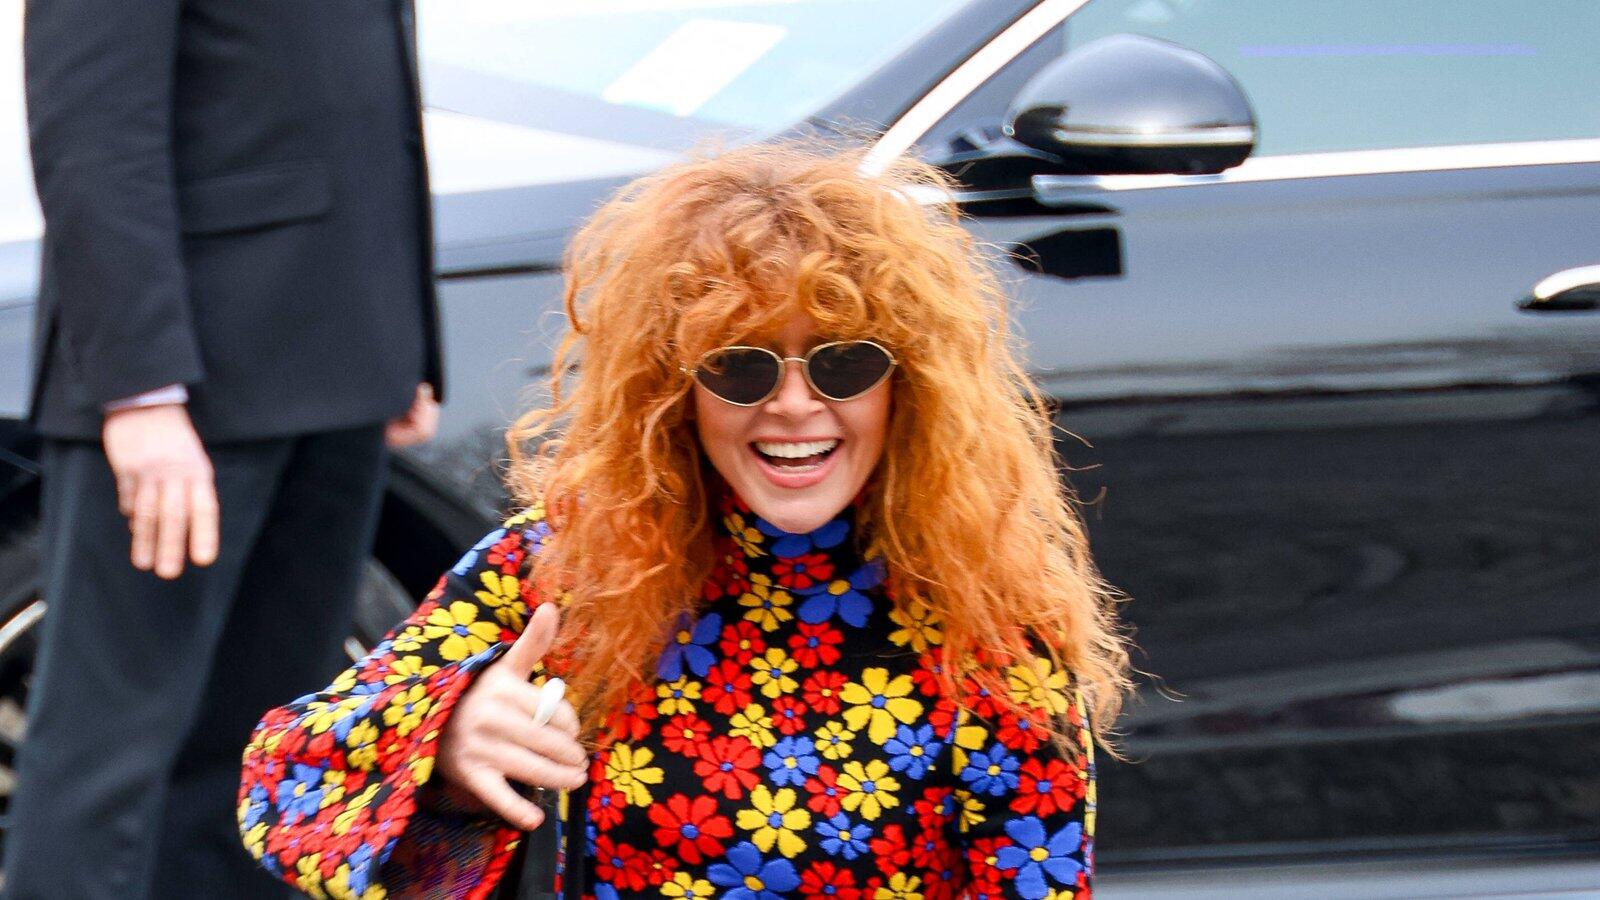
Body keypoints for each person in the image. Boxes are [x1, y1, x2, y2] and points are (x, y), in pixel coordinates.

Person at [238, 143, 1131, 899]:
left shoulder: (985, 616)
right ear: (673, 389)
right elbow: (280, 782)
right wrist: (442, 743)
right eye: (740, 365)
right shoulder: (576, 563)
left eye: (843, 364)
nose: (794, 405)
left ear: (909, 385)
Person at [7, 0, 442, 896]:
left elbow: (371, 98)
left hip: (343, 357)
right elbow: (93, 134)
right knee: (106, 759)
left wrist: (401, 337)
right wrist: (140, 395)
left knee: (270, 745)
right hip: (186, 382)